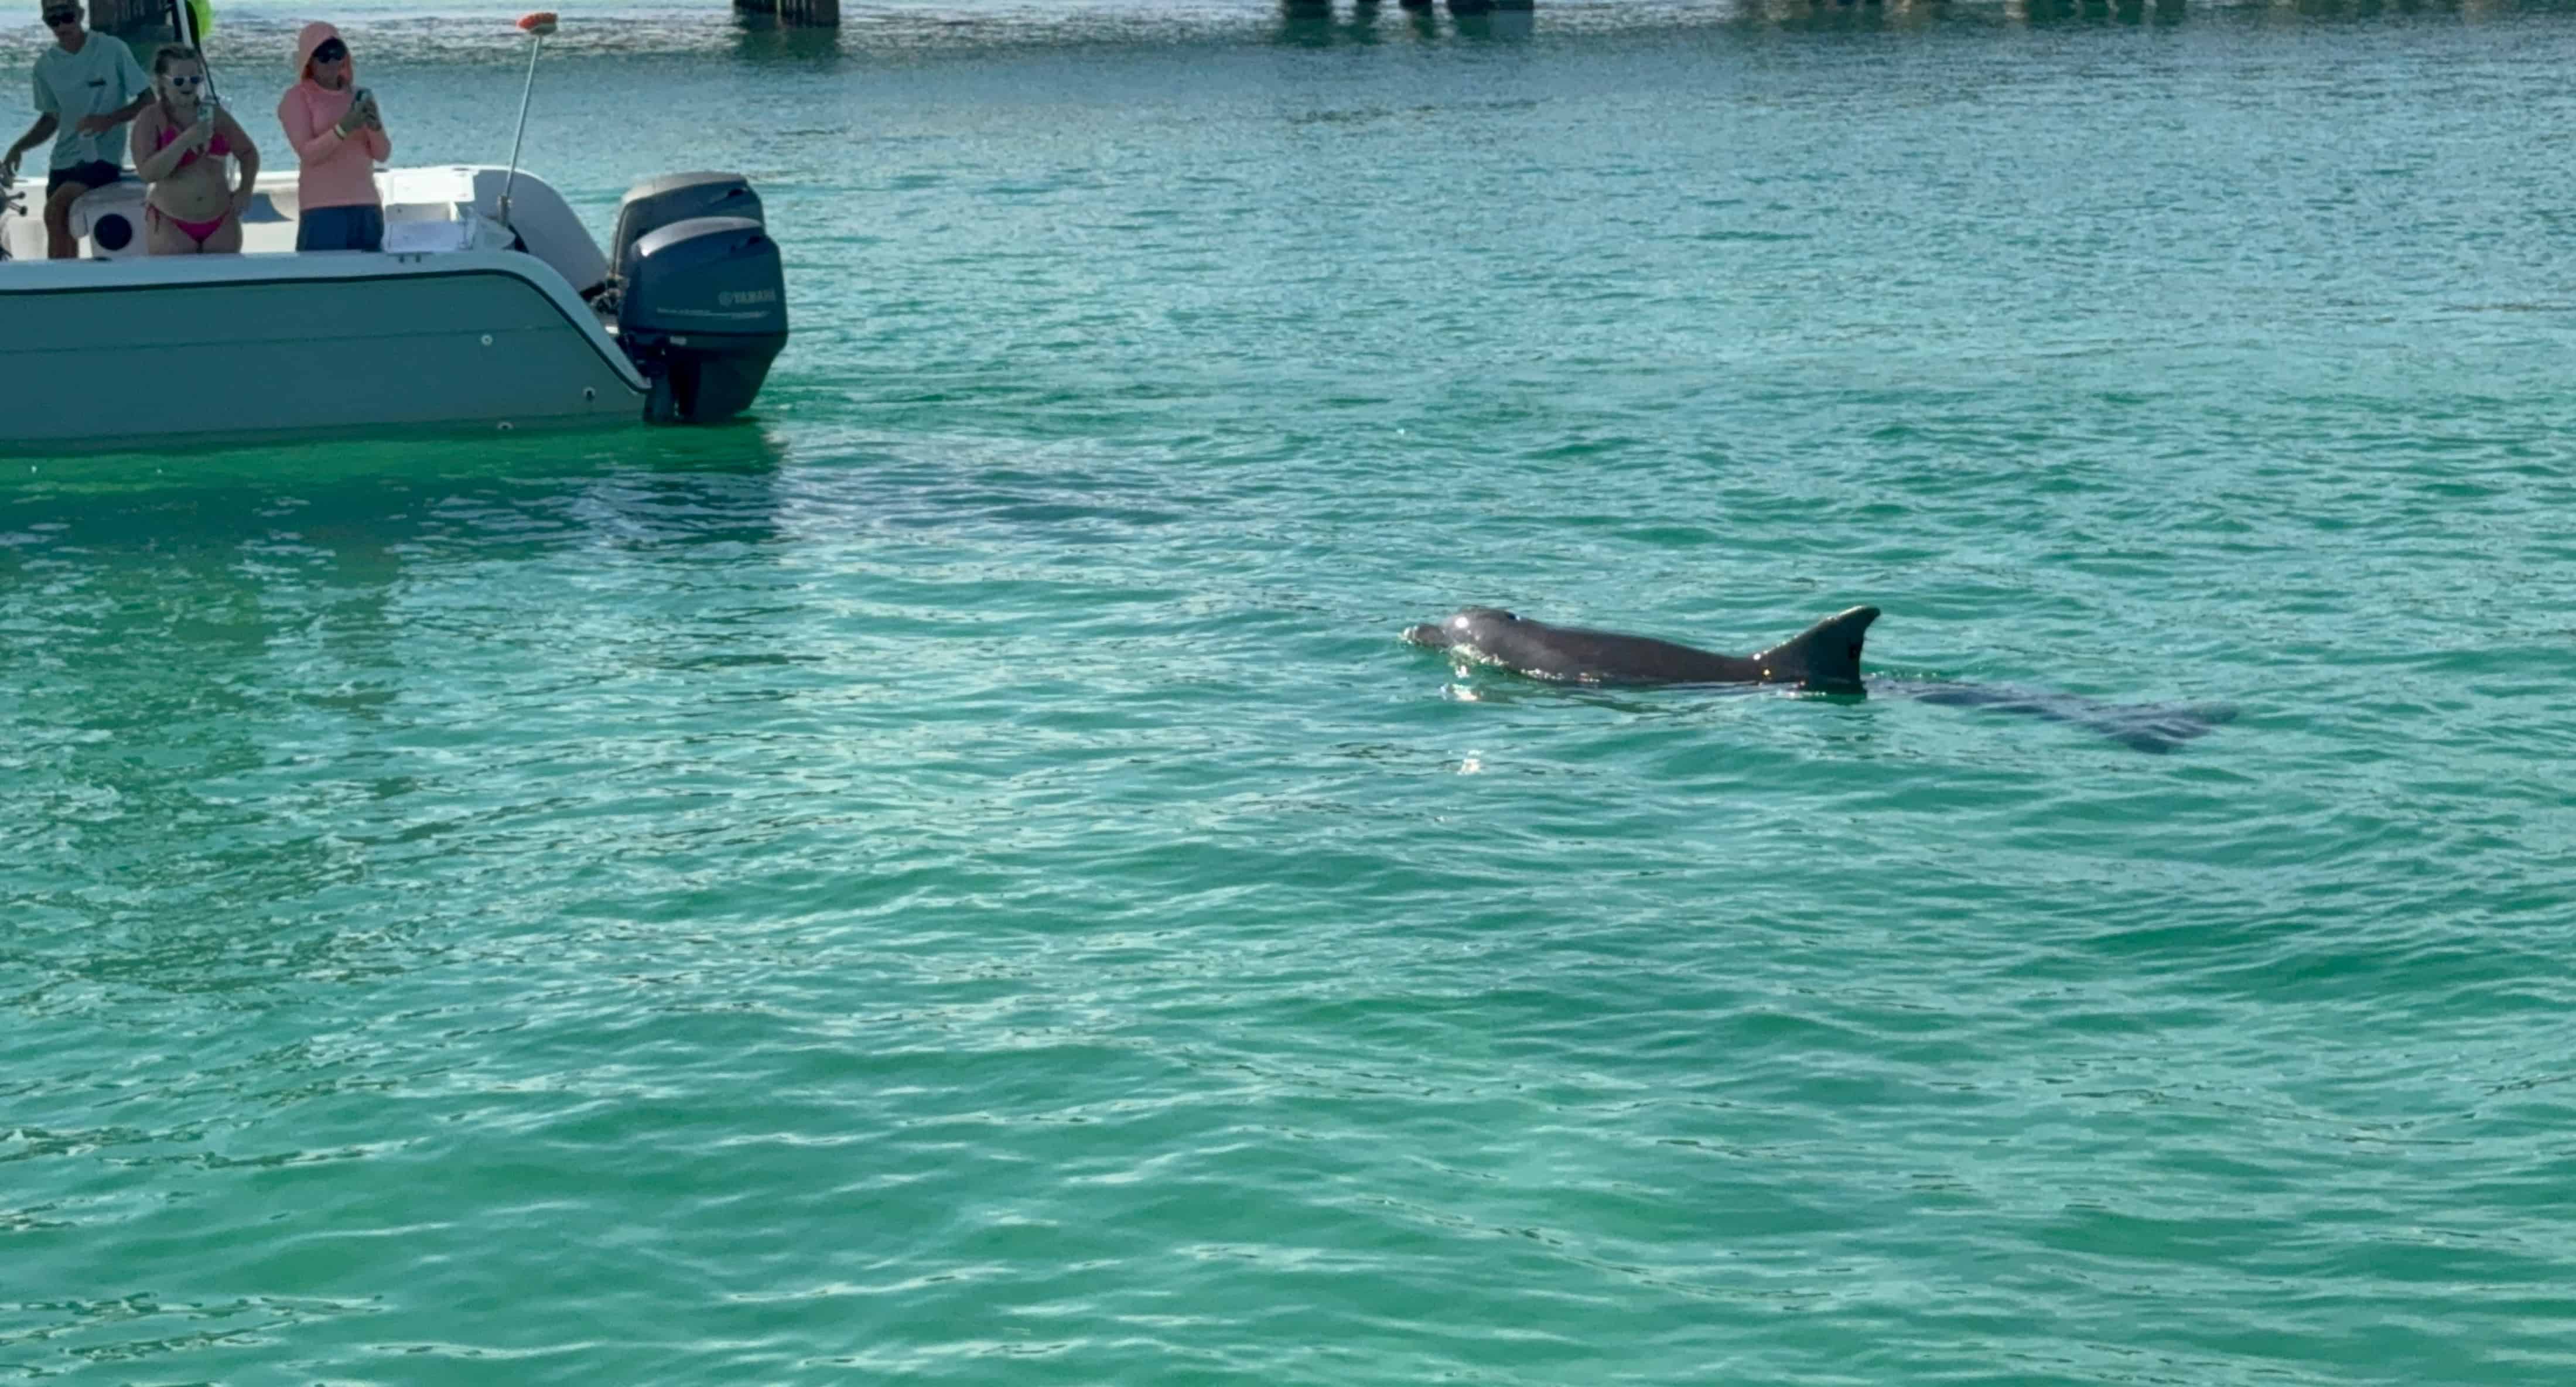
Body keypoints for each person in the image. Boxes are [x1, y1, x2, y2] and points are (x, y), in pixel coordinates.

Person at [2, 2, 151, 259]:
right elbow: (51, 119)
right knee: (59, 225)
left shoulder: (111, 49)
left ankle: (57, 282)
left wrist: (109, 120)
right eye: (53, 20)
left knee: (56, 209)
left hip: (101, 158)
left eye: (67, 16)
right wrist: (18, 147)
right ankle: (65, 284)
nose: (61, 25)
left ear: (81, 15)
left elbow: (147, 100)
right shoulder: (45, 66)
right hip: (63, 160)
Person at [128, 45, 253, 254]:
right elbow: (148, 173)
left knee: (221, 283)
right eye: (179, 81)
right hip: (172, 221)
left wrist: (245, 190)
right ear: (161, 81)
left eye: (195, 80)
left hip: (220, 219)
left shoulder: (215, 115)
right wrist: (185, 140)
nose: (188, 86)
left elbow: (248, 153)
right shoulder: (150, 119)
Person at [276, 22, 387, 252]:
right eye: (323, 56)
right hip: (322, 208)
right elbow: (309, 154)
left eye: (338, 54)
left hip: (366, 204)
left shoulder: (360, 95)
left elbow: (382, 154)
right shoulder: (297, 98)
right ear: (309, 60)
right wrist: (344, 128)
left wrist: (374, 127)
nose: (333, 62)